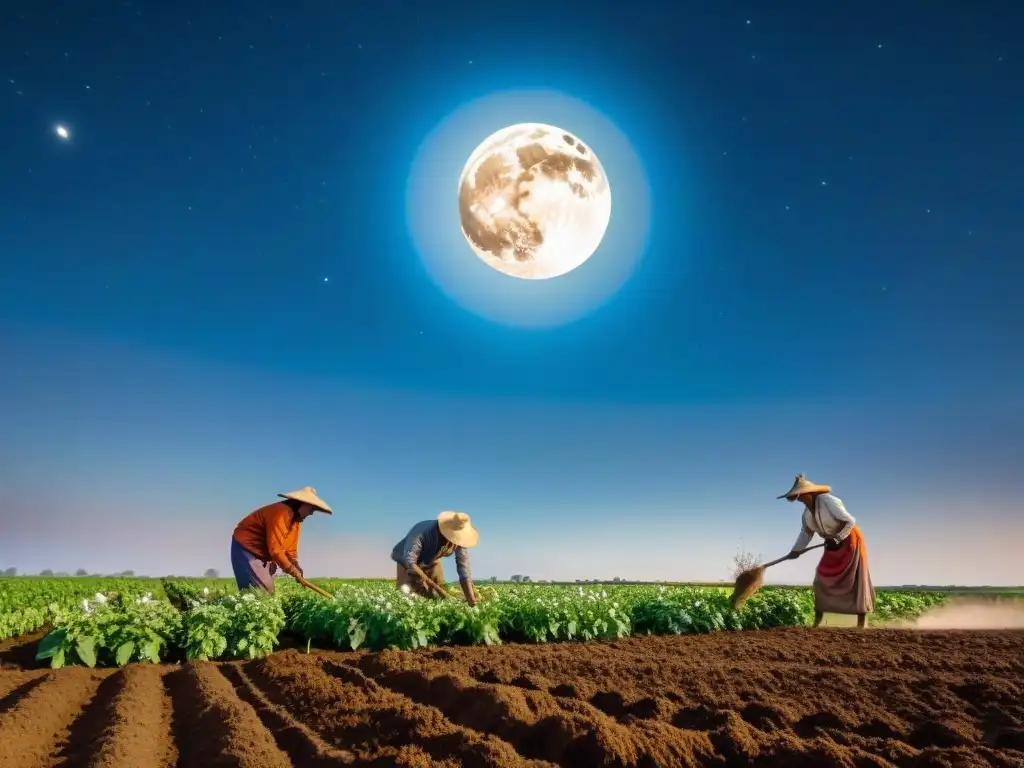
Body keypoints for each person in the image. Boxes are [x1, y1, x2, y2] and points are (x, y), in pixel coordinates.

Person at [781, 474, 875, 628]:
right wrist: (796, 551)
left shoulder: (827, 501)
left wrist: (837, 538)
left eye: (801, 496)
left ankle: (861, 623)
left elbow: (850, 521)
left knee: (854, 581)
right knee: (821, 578)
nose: (800, 500)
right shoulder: (806, 515)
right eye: (798, 498)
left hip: (849, 541)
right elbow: (806, 533)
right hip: (831, 545)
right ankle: (817, 622)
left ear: (809, 493)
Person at [231, 486, 333, 594]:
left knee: (266, 591)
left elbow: (290, 549)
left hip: (263, 553)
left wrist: (295, 565)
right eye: (311, 509)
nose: (311, 513)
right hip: (246, 548)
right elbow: (275, 550)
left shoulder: (295, 522)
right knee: (262, 592)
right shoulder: (280, 514)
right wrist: (292, 570)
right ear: (302, 504)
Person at [392, 511, 479, 606]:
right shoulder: (422, 530)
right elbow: (410, 561)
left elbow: (463, 569)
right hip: (406, 561)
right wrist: (436, 588)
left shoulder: (460, 540)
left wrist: (471, 598)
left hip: (432, 559)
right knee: (407, 593)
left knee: (437, 597)